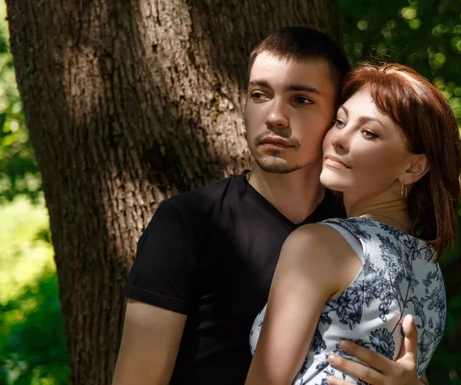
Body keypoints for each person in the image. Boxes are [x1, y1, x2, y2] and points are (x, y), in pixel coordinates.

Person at [112, 27, 428, 385]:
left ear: (336, 118)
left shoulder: (356, 238)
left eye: (301, 100)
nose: (275, 116)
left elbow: (400, 360)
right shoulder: (188, 222)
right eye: (260, 94)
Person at [245, 62, 461, 384]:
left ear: (414, 168)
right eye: (340, 121)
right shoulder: (428, 271)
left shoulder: (317, 245)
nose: (339, 139)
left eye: (369, 132)